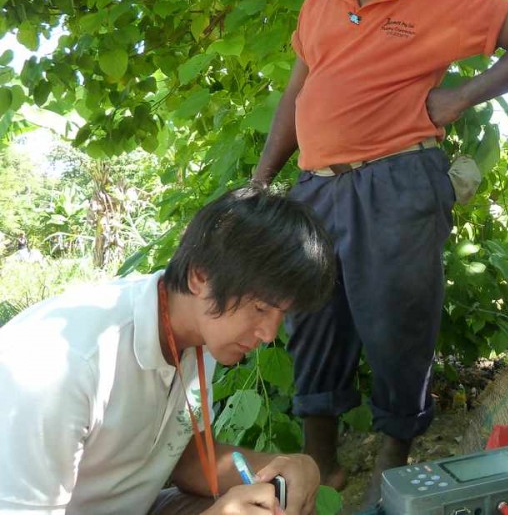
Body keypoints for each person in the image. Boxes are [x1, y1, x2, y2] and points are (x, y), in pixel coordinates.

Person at [251, 0, 508, 504]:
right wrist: (261, 179)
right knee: (311, 320)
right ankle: (323, 466)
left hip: (397, 183)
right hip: (317, 187)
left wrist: (459, 97)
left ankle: (394, 467)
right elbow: (297, 90)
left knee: (398, 325)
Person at [0, 186, 338, 515]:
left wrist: (290, 468)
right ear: (200, 277)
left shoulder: (200, 333)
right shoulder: (63, 364)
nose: (268, 334)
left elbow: (186, 460)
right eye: (261, 308)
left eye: (282, 315)